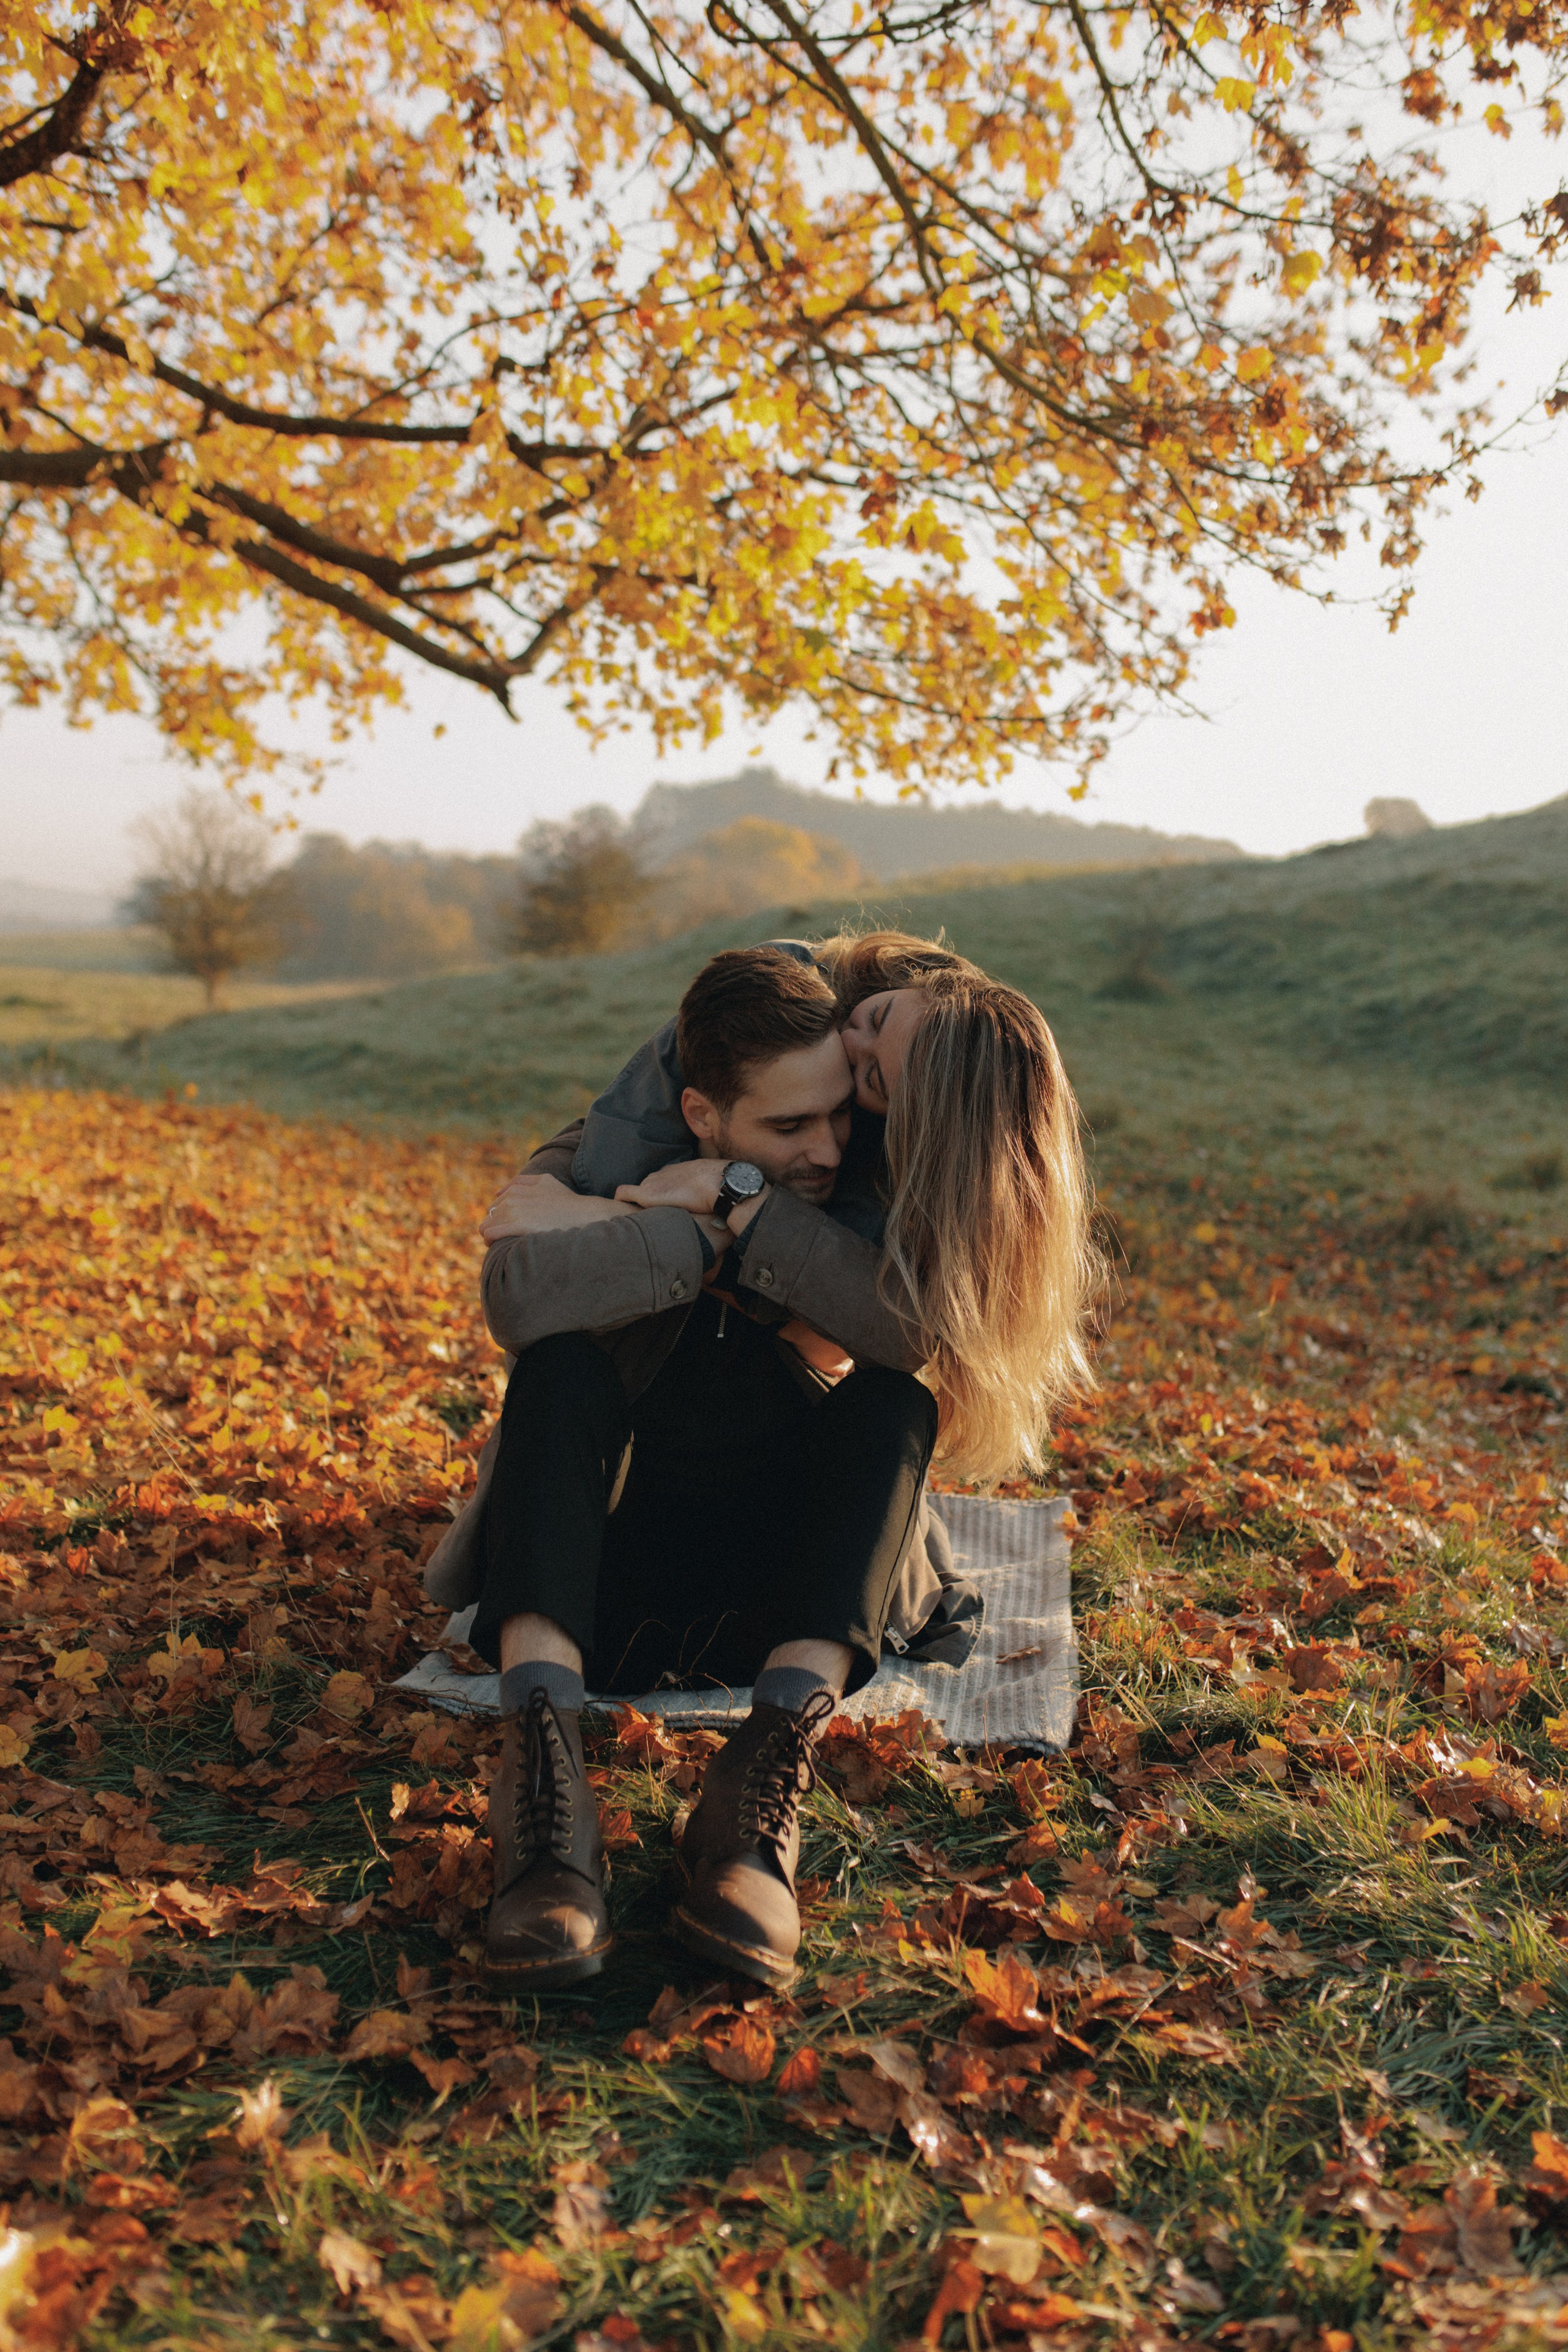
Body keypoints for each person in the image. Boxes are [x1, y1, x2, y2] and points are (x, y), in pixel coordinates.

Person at [429, 937, 1096, 1993]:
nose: (830, 1146)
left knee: (892, 1405)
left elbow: (905, 1335)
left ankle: (758, 1797)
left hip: (787, 1581)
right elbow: (521, 1292)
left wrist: (737, 1198)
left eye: (856, 1105)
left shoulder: (889, 1146)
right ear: (700, 1113)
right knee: (559, 1369)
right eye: (793, 1124)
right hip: (612, 1565)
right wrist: (686, 1236)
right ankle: (545, 1794)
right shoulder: (721, 1053)